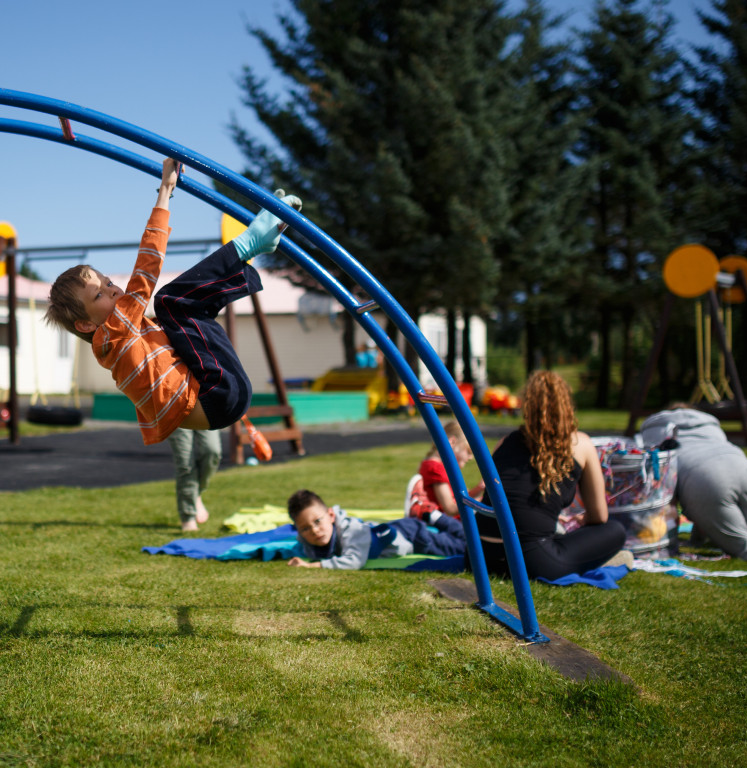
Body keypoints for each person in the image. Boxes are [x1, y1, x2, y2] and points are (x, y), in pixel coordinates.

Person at [43, 158, 301, 448]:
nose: (113, 290)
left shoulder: (123, 343)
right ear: (86, 324)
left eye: (108, 282)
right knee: (170, 302)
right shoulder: (115, 333)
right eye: (99, 295)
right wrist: (165, 189)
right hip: (217, 395)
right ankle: (250, 244)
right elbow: (147, 267)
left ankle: (252, 248)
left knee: (178, 313)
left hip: (220, 399)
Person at [473, 371, 627, 581]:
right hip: (531, 561)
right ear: (566, 406)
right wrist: (582, 519)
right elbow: (599, 516)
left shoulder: (506, 441)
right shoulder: (580, 444)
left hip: (479, 555)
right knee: (615, 530)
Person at [641, 404, 747, 561]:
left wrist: (669, 542)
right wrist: (696, 541)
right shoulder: (708, 425)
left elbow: (666, 490)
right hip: (744, 467)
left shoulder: (655, 432)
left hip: (704, 476)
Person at [286, 489, 466, 570]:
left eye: (318, 521)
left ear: (331, 515)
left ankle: (432, 515)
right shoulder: (305, 538)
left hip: (414, 537)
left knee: (465, 546)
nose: (315, 530)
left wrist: (311, 565)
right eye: (306, 529)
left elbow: (353, 561)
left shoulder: (353, 532)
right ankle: (426, 514)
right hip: (396, 529)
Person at [415, 421, 485, 518]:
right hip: (447, 525)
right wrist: (481, 502)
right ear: (452, 442)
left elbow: (461, 498)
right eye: (468, 451)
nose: (471, 457)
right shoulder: (435, 468)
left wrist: (478, 489)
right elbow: (450, 508)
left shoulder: (440, 467)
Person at [168, 428, 222, 532]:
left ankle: (196, 494)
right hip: (176, 414)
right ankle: (188, 517)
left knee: (212, 451)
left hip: (206, 412)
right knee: (185, 464)